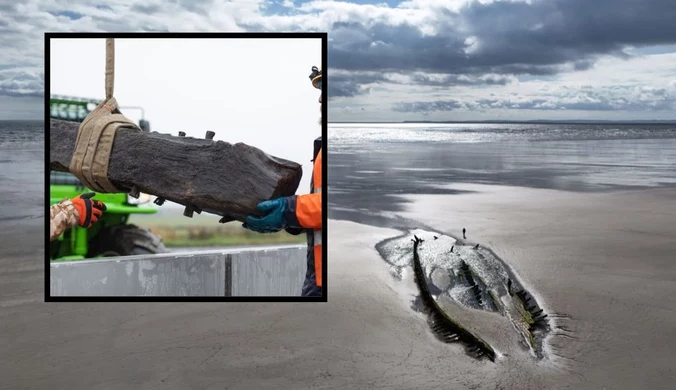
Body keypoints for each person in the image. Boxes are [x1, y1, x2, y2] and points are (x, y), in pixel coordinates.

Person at [242, 65, 323, 297]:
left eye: (324, 89)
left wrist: (289, 210)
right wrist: (293, 220)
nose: (319, 99)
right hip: (318, 273)